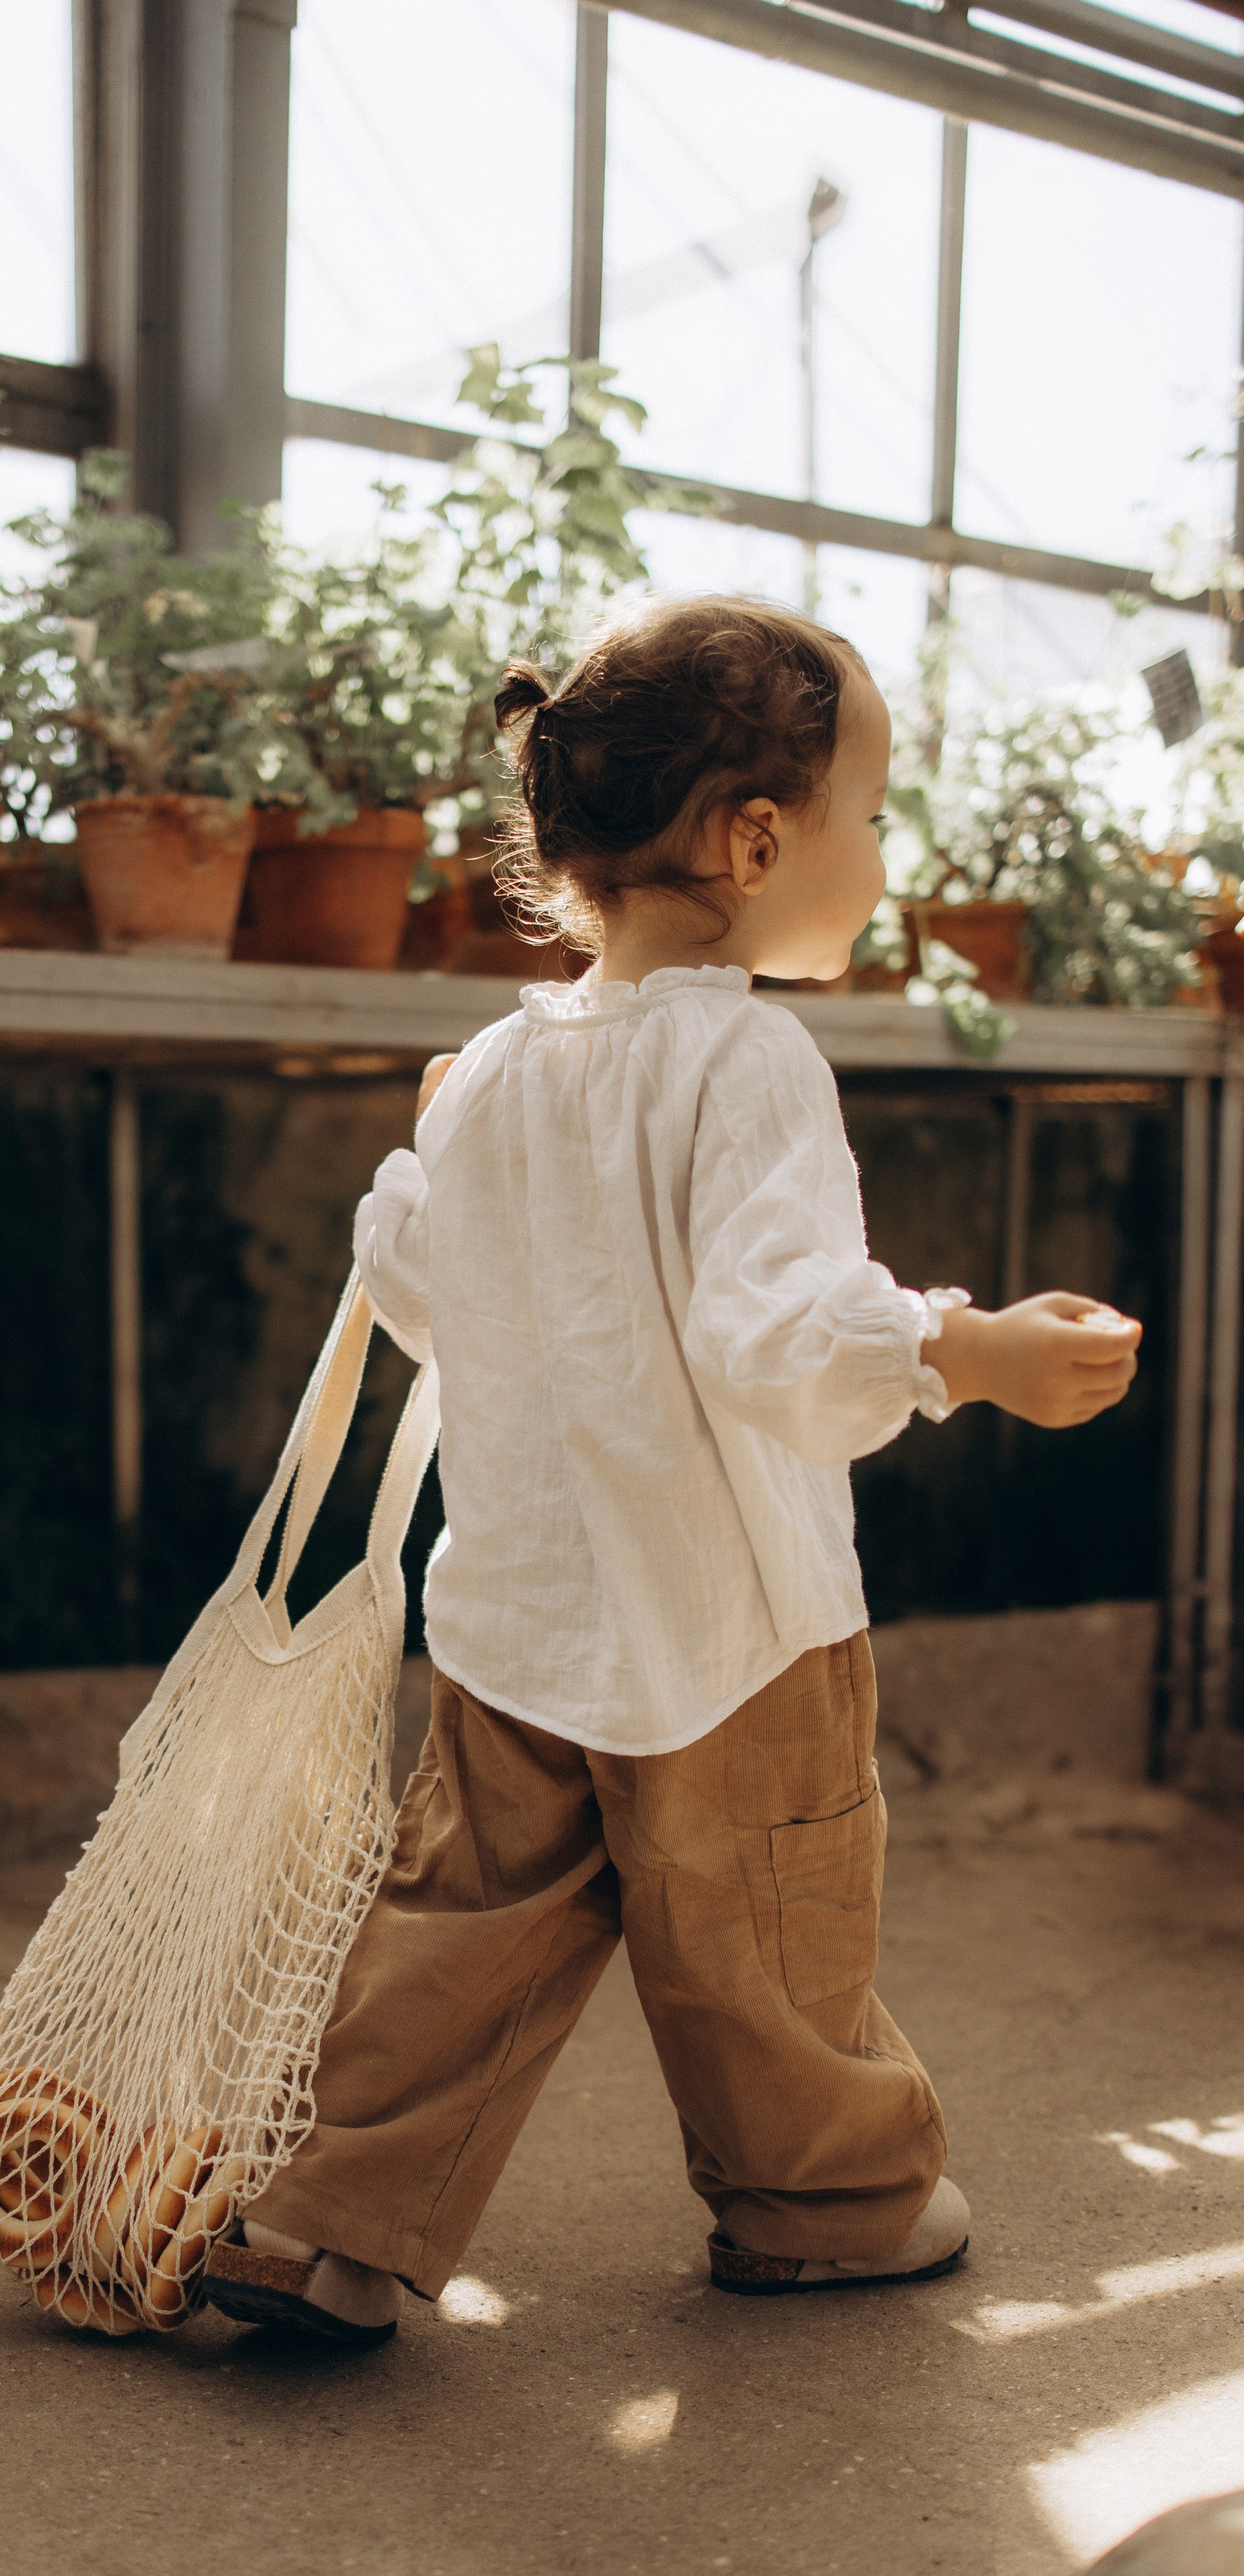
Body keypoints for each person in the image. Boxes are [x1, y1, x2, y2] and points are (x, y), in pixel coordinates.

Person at [203, 596, 1142, 2346]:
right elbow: (780, 1340)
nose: (881, 856)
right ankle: (826, 2209)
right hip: (730, 1635)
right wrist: (968, 1347)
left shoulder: (486, 1072)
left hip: (515, 1625)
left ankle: (327, 2220)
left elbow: (419, 1291)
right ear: (755, 835)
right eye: (871, 815)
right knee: (763, 1943)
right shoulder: (748, 1062)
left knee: (453, 1940)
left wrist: (430, 1154)